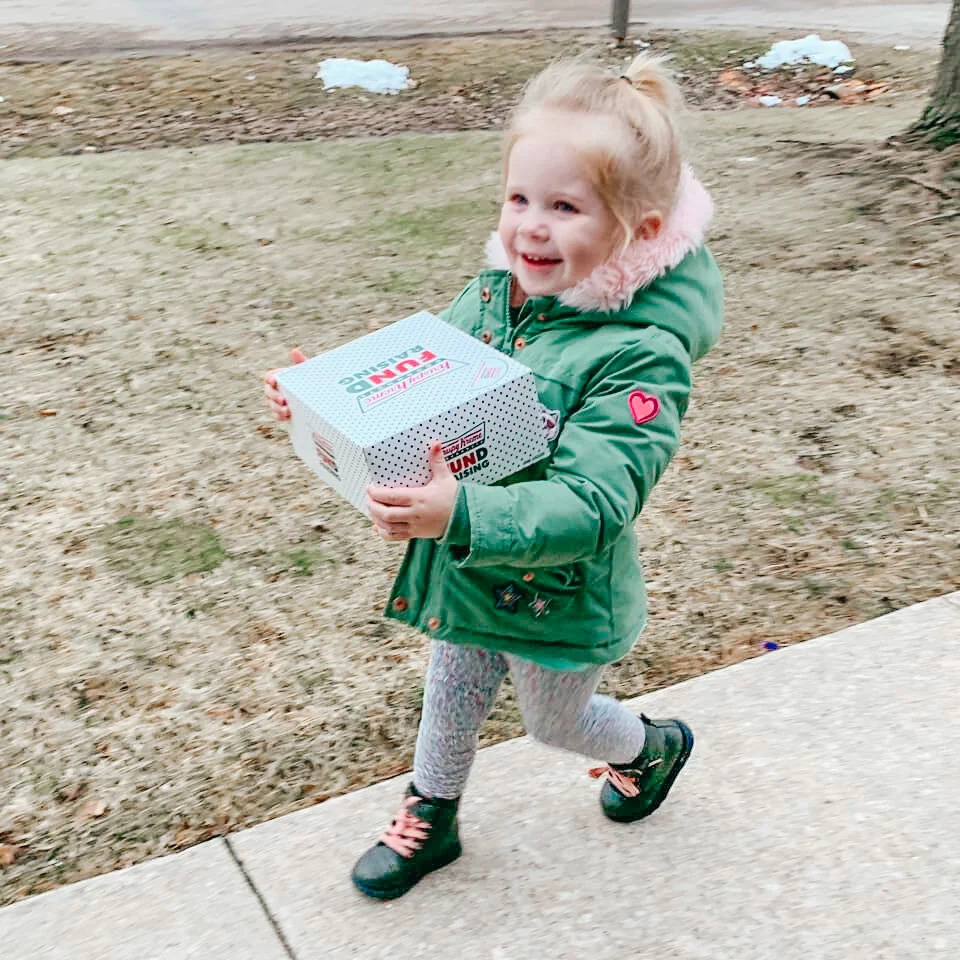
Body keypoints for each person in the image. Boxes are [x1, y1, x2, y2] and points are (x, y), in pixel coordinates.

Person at [263, 54, 723, 901]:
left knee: (556, 724)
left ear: (640, 229)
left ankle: (650, 749)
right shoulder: (494, 296)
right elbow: (418, 383)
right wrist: (323, 399)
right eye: (519, 199)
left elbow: (593, 502)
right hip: (469, 562)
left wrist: (460, 512)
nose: (531, 229)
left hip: (556, 592)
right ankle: (432, 813)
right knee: (449, 696)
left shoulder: (641, 357)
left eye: (565, 207)